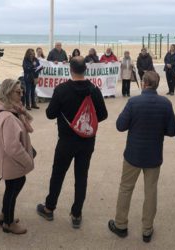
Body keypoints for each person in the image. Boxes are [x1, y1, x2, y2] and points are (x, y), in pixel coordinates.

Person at [36, 56, 108, 229]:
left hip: (66, 140)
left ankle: (49, 208)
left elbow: (50, 114)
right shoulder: (94, 90)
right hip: (87, 141)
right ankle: (76, 214)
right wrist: (87, 119)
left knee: (58, 174)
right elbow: (103, 115)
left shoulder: (62, 89)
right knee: (81, 176)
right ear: (86, 69)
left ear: (70, 69)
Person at [108, 71, 175, 243]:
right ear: (156, 84)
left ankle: (121, 224)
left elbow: (120, 126)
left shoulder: (133, 102)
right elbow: (172, 131)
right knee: (151, 191)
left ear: (144, 83)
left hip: (133, 154)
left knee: (125, 189)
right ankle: (147, 229)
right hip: (153, 155)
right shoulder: (165, 103)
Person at [0, 79, 35, 234]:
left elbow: (28, 123)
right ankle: (8, 223)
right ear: (8, 93)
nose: (22, 94)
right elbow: (13, 147)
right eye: (18, 92)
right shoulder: (9, 116)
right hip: (11, 161)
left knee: (12, 188)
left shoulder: (10, 110)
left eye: (22, 91)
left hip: (8, 160)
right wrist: (28, 161)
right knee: (14, 188)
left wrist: (21, 111)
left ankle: (4, 216)